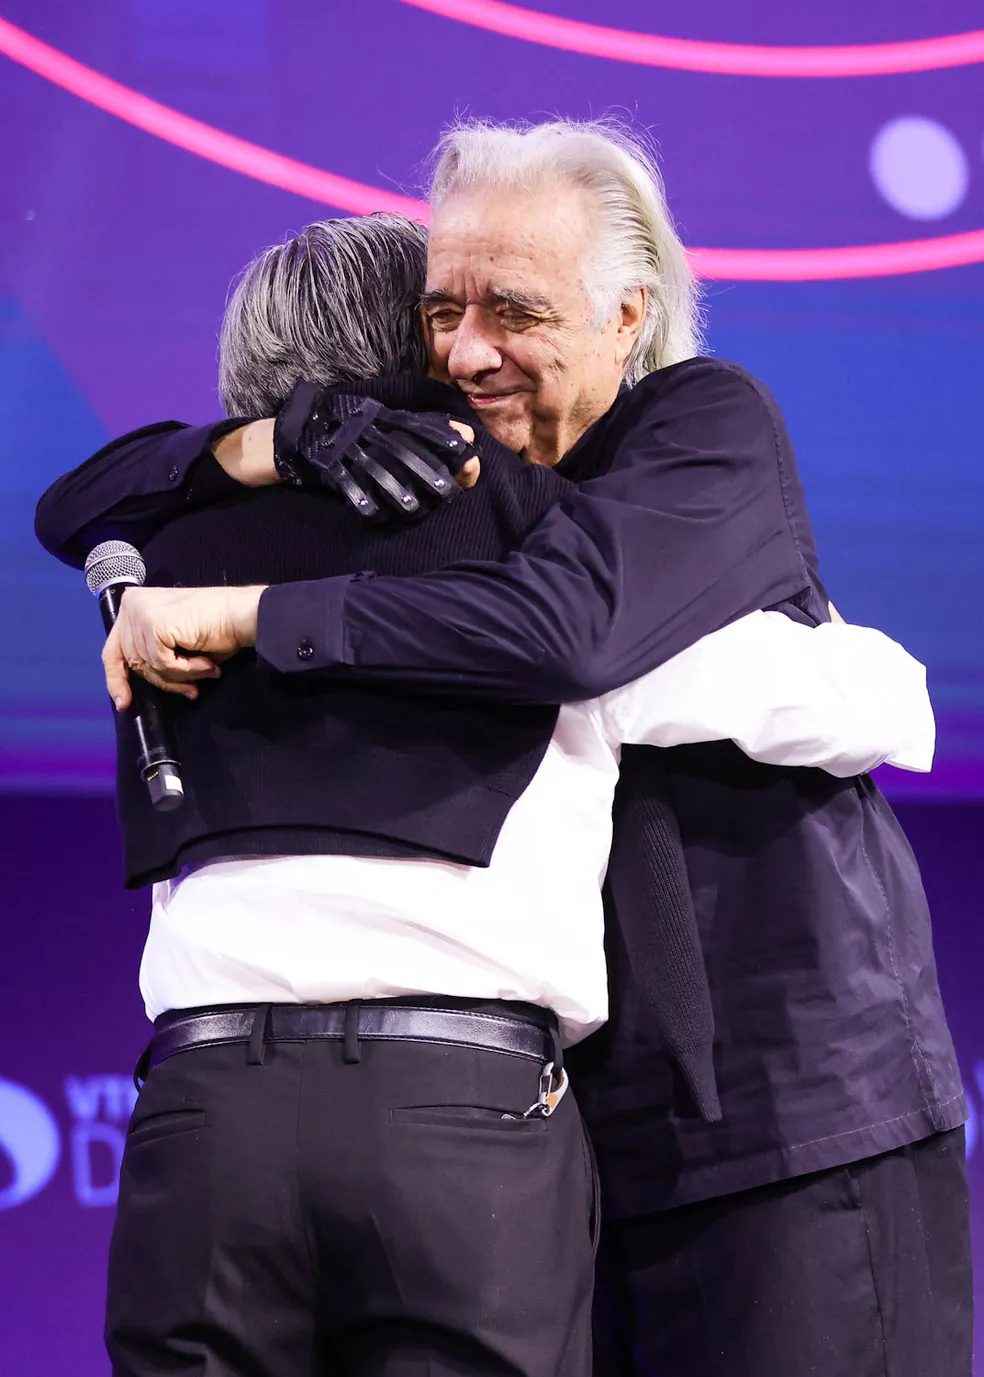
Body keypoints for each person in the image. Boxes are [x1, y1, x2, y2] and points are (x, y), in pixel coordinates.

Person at [36, 117, 969, 1377]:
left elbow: (579, 634)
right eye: (440, 313)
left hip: (784, 1118)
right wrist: (266, 442)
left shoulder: (701, 425)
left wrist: (255, 617)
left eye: (515, 313)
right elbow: (81, 501)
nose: (469, 353)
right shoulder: (435, 492)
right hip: (567, 1132)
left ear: (628, 316)